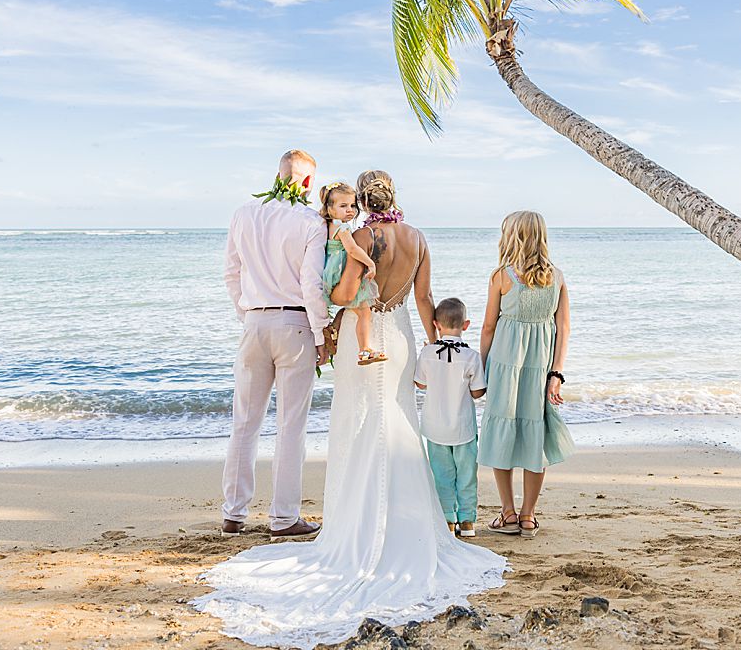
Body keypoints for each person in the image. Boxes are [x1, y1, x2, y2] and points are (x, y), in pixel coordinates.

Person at [193, 169, 506, 650]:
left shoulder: (355, 235)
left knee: (357, 425)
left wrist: (340, 307)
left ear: (361, 199)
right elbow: (424, 298)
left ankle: (355, 525)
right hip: (400, 336)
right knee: (397, 420)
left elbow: (342, 295)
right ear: (395, 196)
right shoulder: (418, 238)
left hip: (360, 341)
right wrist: (427, 344)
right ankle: (409, 524)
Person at [219, 149, 330, 542]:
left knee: (245, 423)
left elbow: (232, 273)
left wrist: (246, 314)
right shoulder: (312, 222)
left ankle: (233, 514)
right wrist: (323, 333)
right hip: (295, 322)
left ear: (278, 175)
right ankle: (284, 517)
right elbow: (311, 285)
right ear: (305, 183)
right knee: (290, 426)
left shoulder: (243, 214)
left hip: (254, 323)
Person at [478, 211, 576, 538]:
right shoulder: (558, 277)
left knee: (502, 429)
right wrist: (557, 373)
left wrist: (480, 368)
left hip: (505, 365)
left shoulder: (501, 277)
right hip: (540, 368)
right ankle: (529, 516)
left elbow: (489, 326)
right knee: (536, 434)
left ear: (512, 237)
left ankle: (507, 514)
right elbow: (564, 328)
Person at [414, 297, 485, 538]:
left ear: (436, 325)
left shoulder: (427, 353)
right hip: (463, 427)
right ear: (466, 325)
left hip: (435, 428)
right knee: (466, 475)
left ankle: (448, 520)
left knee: (442, 475)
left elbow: (420, 384)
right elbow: (477, 392)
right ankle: (467, 522)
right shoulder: (472, 357)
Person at [318, 181, 385, 365]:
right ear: (330, 209)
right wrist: (370, 263)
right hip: (340, 272)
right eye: (343, 206)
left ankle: (332, 331)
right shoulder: (343, 228)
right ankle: (365, 349)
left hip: (330, 273)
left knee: (350, 308)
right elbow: (353, 250)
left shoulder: (329, 225)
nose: (350, 210)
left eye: (353, 205)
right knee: (364, 311)